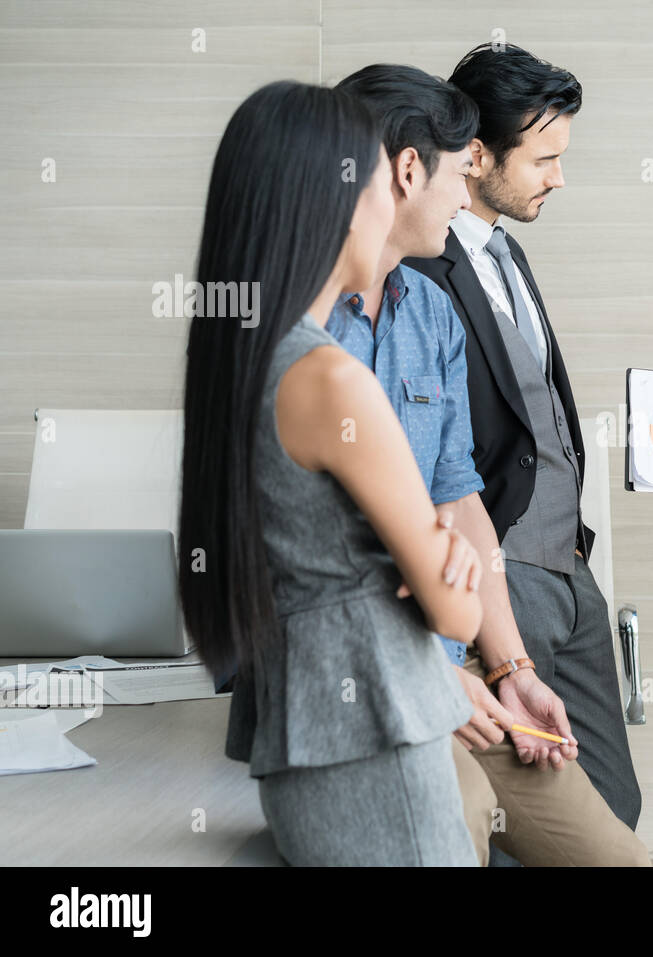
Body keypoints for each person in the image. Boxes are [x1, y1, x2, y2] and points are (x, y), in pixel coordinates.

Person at [328, 63, 648, 866]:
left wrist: (509, 666)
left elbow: (457, 491)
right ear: (419, 167)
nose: (464, 178)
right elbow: (340, 553)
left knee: (617, 830)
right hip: (396, 656)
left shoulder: (434, 304)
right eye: (542, 159)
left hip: (517, 595)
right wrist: (448, 672)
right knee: (468, 817)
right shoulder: (310, 342)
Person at [179, 80, 482, 865]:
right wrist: (451, 557)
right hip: (379, 749)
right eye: (383, 181)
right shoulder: (332, 379)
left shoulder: (245, 365)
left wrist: (429, 550)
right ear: (339, 203)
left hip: (306, 743)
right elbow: (456, 612)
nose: (394, 201)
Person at [405, 43, 642, 830]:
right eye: (544, 158)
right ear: (475, 155)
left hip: (570, 568)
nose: (558, 177)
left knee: (614, 797)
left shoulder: (509, 254)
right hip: (504, 570)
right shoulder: (421, 273)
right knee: (522, 812)